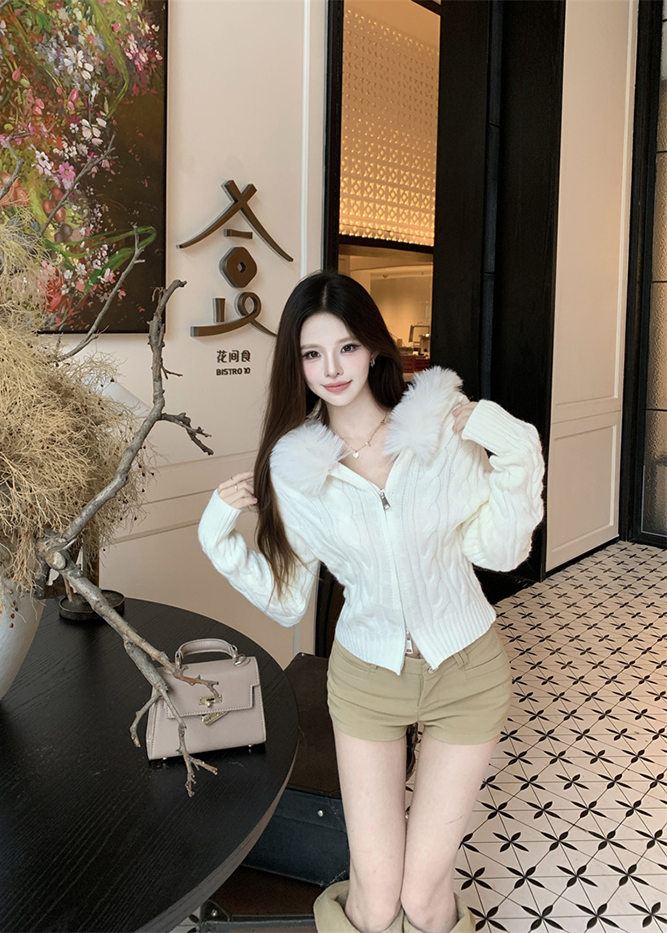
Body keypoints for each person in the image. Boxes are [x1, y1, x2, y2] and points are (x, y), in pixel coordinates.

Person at [198, 271, 545, 933]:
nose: (332, 369)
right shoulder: (297, 468)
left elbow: (502, 550)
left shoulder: (437, 428)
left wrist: (509, 438)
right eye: (312, 353)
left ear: (374, 347)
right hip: (366, 681)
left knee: (424, 896)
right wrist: (216, 532)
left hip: (467, 672)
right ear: (296, 363)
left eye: (347, 347)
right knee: (377, 899)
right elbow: (287, 599)